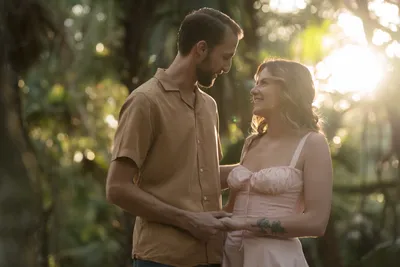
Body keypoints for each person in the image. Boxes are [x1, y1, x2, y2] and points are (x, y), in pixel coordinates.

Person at [105, 7, 243, 267]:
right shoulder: (145, 102)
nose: (227, 67)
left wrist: (253, 171)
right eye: (225, 57)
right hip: (161, 260)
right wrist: (188, 220)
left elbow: (203, 177)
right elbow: (117, 188)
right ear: (201, 49)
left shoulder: (209, 106)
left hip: (211, 258)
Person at [218, 59, 333, 267]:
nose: (254, 90)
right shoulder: (252, 142)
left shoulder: (312, 143)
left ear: (290, 90)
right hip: (232, 256)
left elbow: (316, 223)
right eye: (256, 83)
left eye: (264, 83)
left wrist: (246, 224)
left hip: (274, 259)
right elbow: (231, 208)